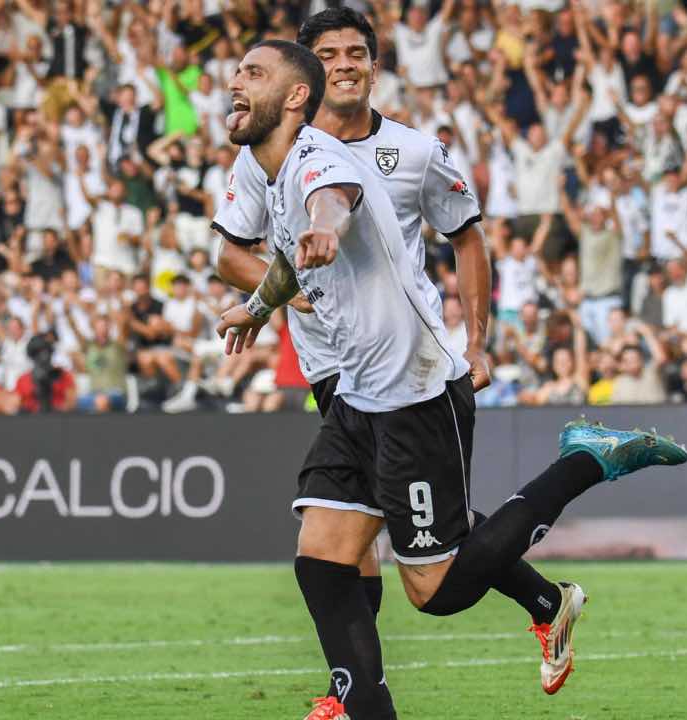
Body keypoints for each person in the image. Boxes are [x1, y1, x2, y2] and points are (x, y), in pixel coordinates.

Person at [215, 39, 687, 720]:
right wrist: (259, 306)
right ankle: (363, 707)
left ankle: (585, 461)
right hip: (356, 390)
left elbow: (333, 200)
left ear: (294, 96)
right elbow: (290, 253)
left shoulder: (318, 161)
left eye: (253, 73)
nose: (236, 82)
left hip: (412, 390)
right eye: (237, 71)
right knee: (322, 558)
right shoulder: (277, 166)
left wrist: (326, 226)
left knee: (435, 590)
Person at [212, 11, 495, 700]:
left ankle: (357, 694)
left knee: (410, 566)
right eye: (329, 52)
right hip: (333, 370)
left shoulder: (407, 152)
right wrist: (273, 297)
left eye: (356, 52)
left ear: (373, 65)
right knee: (341, 545)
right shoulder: (266, 152)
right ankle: (357, 695)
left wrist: (478, 342)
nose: (344, 64)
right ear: (308, 74)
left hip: (403, 365)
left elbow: (349, 207)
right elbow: (238, 254)